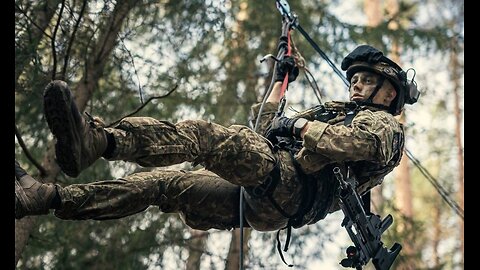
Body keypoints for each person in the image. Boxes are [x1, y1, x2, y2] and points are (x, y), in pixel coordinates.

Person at [15, 44, 419, 233]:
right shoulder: (333, 112)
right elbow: (268, 129)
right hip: (268, 196)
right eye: (354, 79)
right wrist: (282, 81)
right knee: (163, 185)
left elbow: (352, 146)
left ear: (390, 93)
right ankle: (47, 198)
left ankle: (100, 141)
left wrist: (296, 128)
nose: (356, 85)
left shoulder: (386, 126)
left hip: (293, 187)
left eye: (368, 80)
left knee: (210, 138)